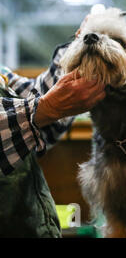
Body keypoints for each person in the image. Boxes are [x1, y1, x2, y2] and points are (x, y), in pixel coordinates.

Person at [0, 42, 105, 237]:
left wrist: (76, 45)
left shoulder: (1, 75)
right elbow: (38, 108)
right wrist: (45, 109)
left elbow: (39, 114)